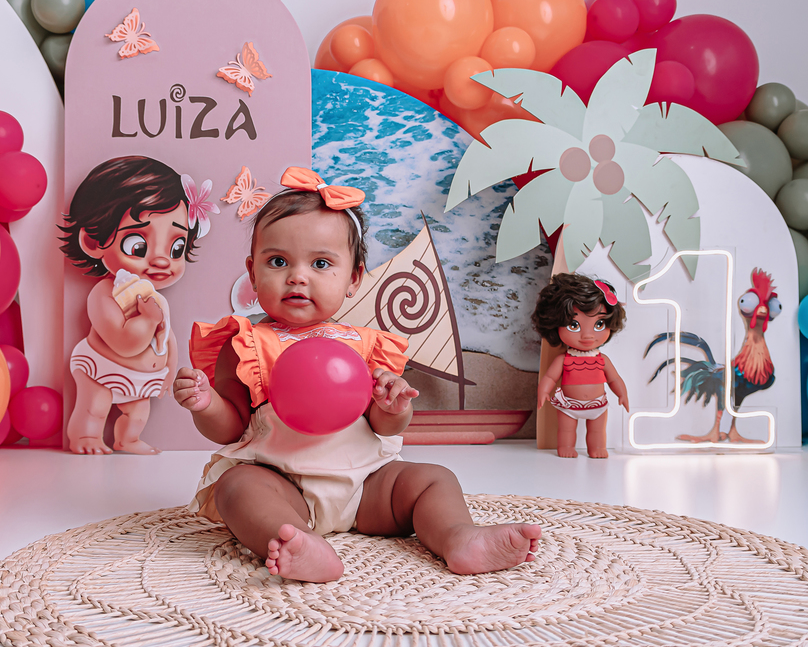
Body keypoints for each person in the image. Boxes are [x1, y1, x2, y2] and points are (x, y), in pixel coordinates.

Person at [172, 167, 541, 583]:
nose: (297, 276)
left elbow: (383, 426)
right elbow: (230, 427)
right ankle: (298, 541)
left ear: (353, 278)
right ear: (253, 273)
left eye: (320, 263)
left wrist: (393, 406)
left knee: (434, 479)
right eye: (278, 261)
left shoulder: (365, 345)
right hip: (282, 484)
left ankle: (458, 537)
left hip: (367, 486)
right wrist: (206, 404)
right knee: (237, 487)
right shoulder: (246, 345)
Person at [60, 155, 217, 454]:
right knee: (95, 405)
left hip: (141, 379)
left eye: (176, 247)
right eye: (138, 245)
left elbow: (166, 336)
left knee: (138, 413)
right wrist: (147, 320)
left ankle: (127, 439)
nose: (162, 260)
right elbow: (123, 342)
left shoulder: (154, 298)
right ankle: (86, 437)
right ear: (93, 243)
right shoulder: (104, 293)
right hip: (101, 369)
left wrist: (169, 369)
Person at [532, 273, 629, 459]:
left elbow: (614, 379)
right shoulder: (563, 359)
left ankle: (597, 448)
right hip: (569, 405)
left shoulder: (602, 359)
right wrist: (543, 391)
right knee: (566, 430)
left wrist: (622, 394)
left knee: (597, 430)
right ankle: (566, 446)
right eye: (574, 325)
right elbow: (550, 377)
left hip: (598, 405)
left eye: (599, 324)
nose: (587, 335)